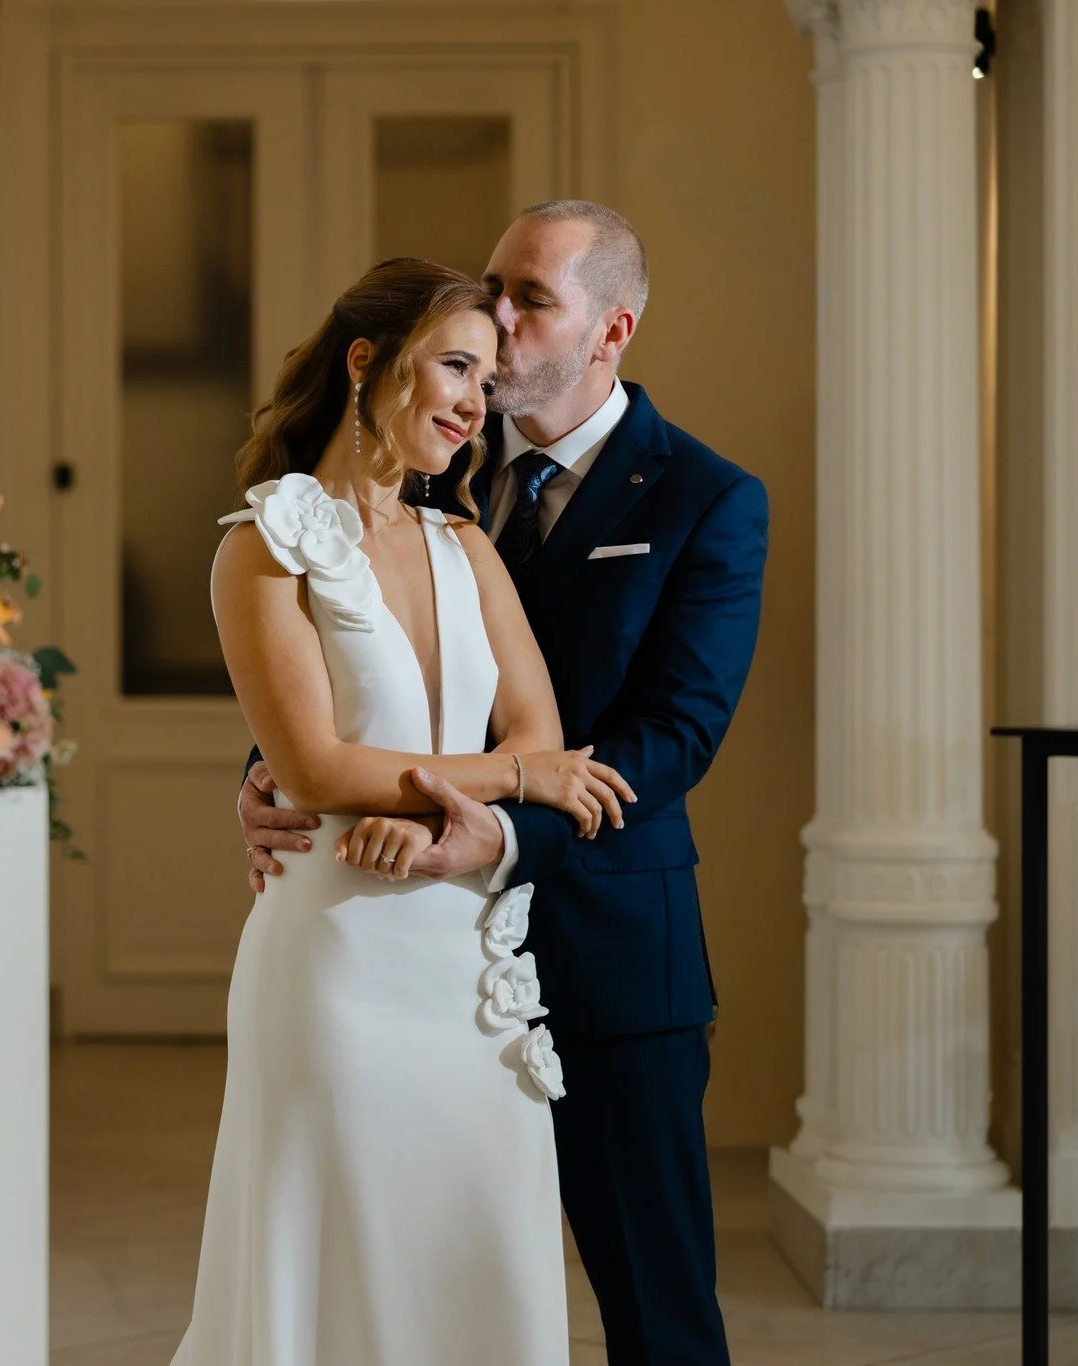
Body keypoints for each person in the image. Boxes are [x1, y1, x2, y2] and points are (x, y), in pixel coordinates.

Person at [237, 201, 769, 1365]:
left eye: (533, 300)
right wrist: (273, 774)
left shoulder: (703, 498)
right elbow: (345, 667)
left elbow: (672, 734)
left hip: (606, 945)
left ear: (609, 330)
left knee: (658, 1314)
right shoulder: (431, 461)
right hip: (398, 939)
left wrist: (506, 833)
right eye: (492, 290)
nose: (500, 322)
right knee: (416, 1286)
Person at [176, 256, 637, 1362]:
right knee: (340, 1262)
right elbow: (318, 768)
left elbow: (538, 724)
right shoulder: (260, 548)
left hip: (468, 954)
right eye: (454, 366)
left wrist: (439, 813)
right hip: (336, 963)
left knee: (473, 1250)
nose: (476, 401)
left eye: (487, 376)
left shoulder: (463, 544)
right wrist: (508, 782)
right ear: (365, 362)